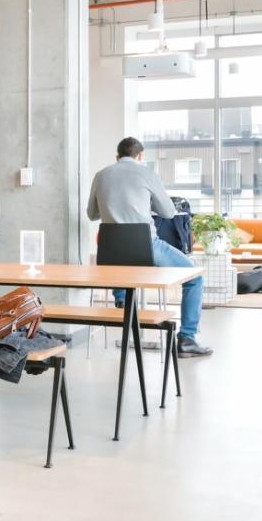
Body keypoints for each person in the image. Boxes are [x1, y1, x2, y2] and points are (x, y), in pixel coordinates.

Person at [86, 137, 211, 358]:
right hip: (145, 247)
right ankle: (187, 339)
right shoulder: (146, 173)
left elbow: (92, 214)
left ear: (117, 156)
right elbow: (169, 212)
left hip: (110, 251)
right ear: (140, 155)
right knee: (194, 277)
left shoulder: (101, 175)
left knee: (122, 266)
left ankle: (123, 300)